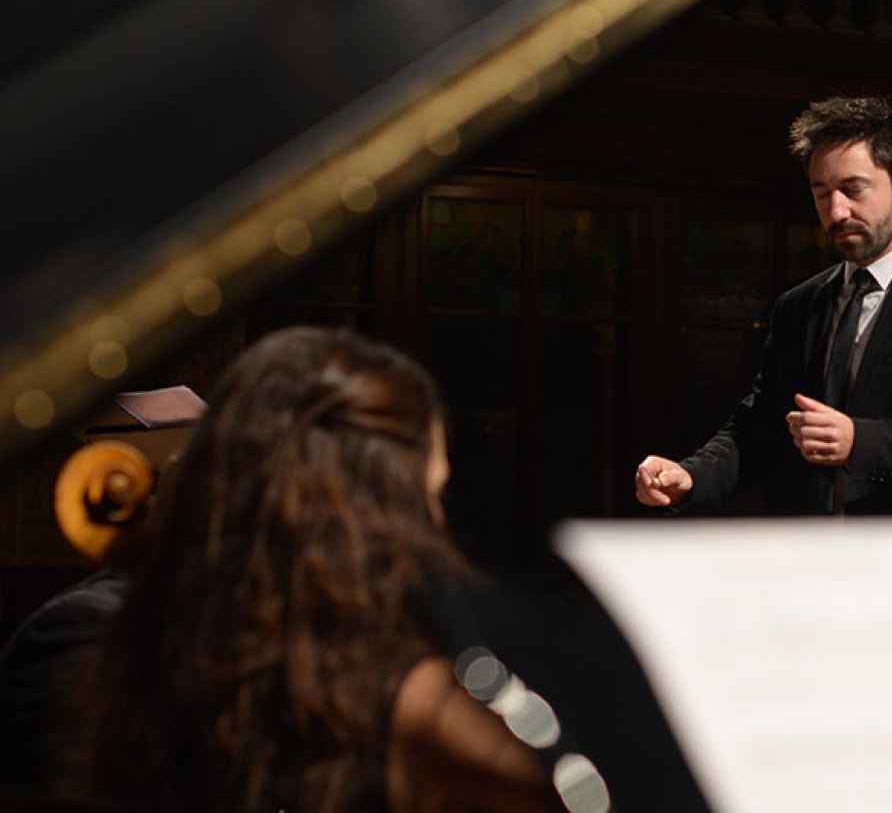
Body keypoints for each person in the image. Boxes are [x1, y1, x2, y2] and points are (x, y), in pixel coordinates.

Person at [66, 327, 562, 813]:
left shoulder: (349, 671)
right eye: (426, 497)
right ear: (363, 515)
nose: (434, 527)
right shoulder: (90, 636)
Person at [635, 96, 892, 516]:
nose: (836, 211)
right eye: (822, 194)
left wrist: (860, 440)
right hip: (812, 556)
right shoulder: (799, 305)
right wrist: (691, 476)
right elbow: (761, 425)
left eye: (853, 190)